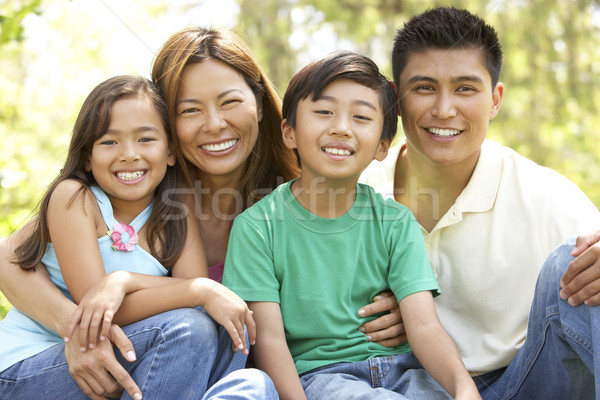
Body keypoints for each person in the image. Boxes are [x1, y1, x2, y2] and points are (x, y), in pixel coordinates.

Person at [0, 27, 403, 398]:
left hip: (248, 374)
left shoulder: (301, 193)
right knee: (200, 328)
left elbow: (381, 249)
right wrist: (79, 330)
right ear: (165, 121)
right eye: (189, 110)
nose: (214, 124)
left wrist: (404, 302)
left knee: (248, 377)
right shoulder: (136, 196)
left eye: (230, 102)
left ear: (260, 104)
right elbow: (10, 259)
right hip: (114, 360)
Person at [359, 7, 600, 399]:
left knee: (583, 265)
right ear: (396, 98)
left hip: (530, 379)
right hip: (411, 387)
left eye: (465, 88)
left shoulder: (541, 193)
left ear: (494, 99)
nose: (444, 109)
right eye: (424, 87)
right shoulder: (356, 191)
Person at [223, 50, 481, 400]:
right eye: (324, 112)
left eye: (361, 117)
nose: (341, 128)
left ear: (382, 146)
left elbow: (424, 326)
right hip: (322, 378)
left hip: (405, 372)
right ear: (289, 132)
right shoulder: (257, 226)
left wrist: (464, 389)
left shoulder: (395, 222)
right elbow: (269, 341)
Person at [0, 75, 275, 400]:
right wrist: (200, 290)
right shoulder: (74, 198)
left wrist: (125, 280)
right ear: (87, 156)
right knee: (191, 327)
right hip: (31, 366)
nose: (129, 154)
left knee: (247, 367)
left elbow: (198, 296)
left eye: (145, 139)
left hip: (124, 353)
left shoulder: (177, 209)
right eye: (109, 142)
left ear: (171, 151)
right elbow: (98, 308)